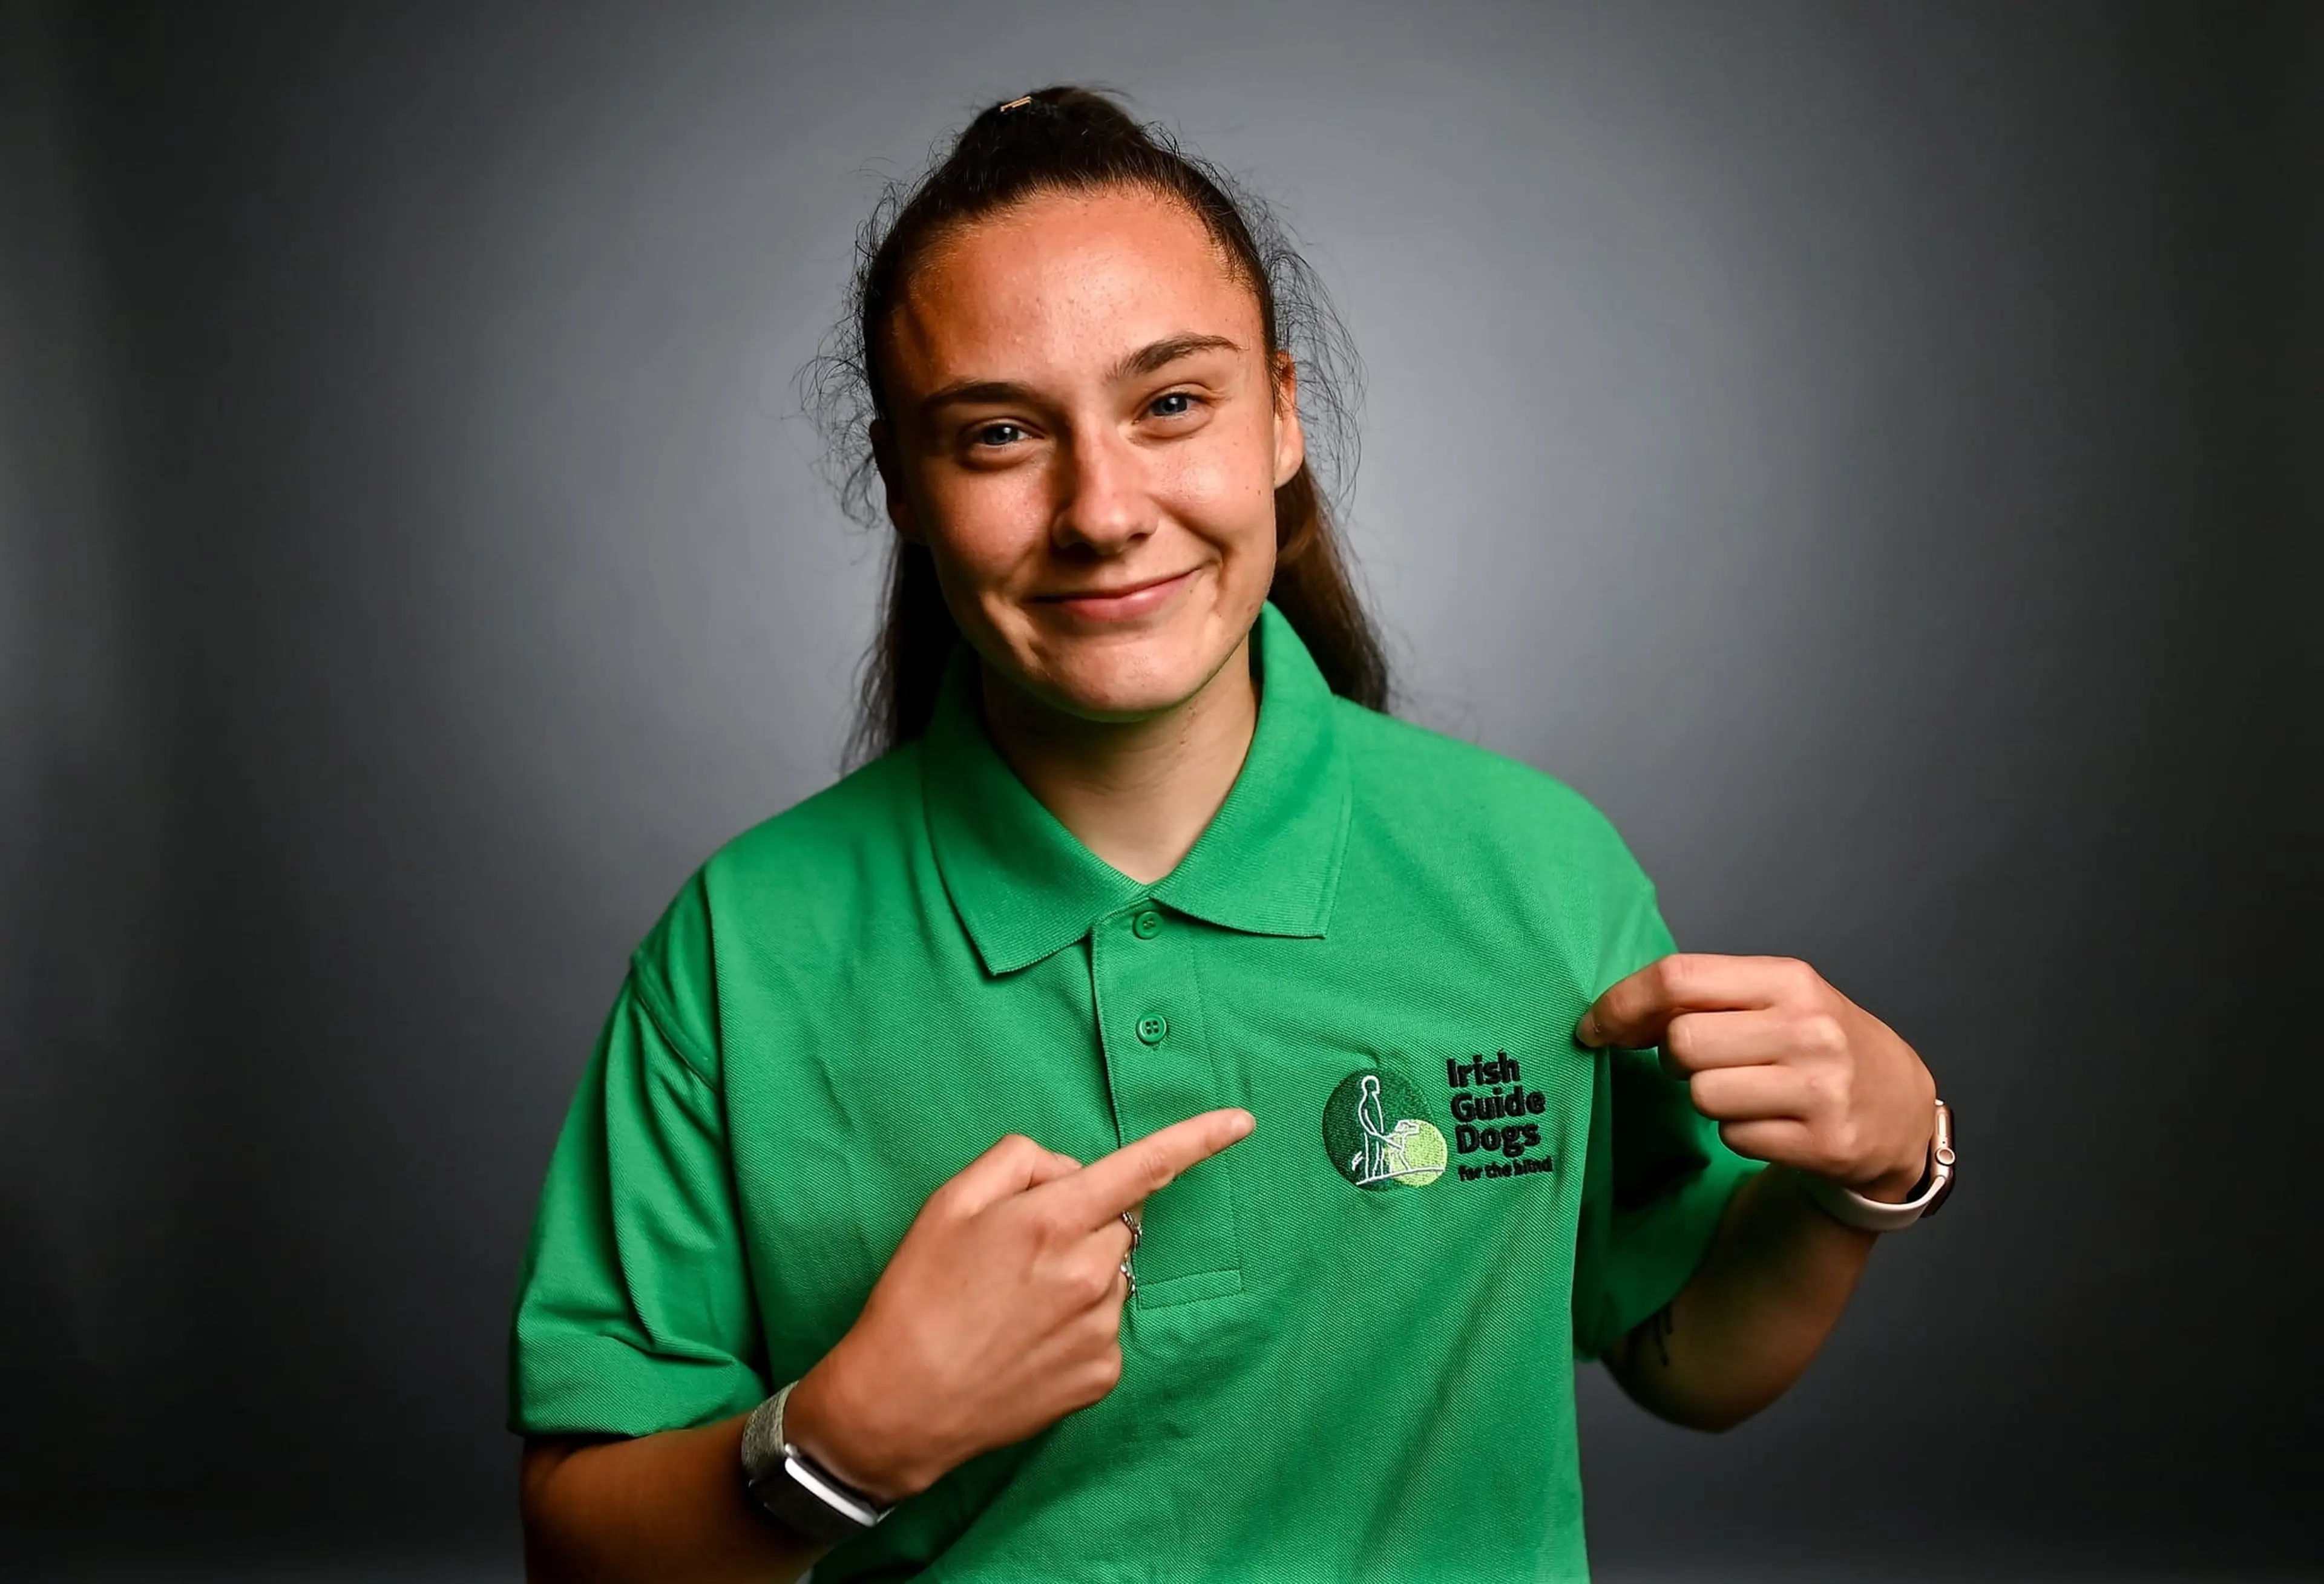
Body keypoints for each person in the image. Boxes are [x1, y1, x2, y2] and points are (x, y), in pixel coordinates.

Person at [507, 86, 1952, 1583]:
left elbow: (1685, 1348)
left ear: (1281, 413)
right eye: (1000, 433)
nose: (1102, 508)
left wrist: (1880, 1169)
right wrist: (843, 1440)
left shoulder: (1539, 870)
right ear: (906, 485)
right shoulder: (742, 952)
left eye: (1171, 403)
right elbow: (576, 1540)